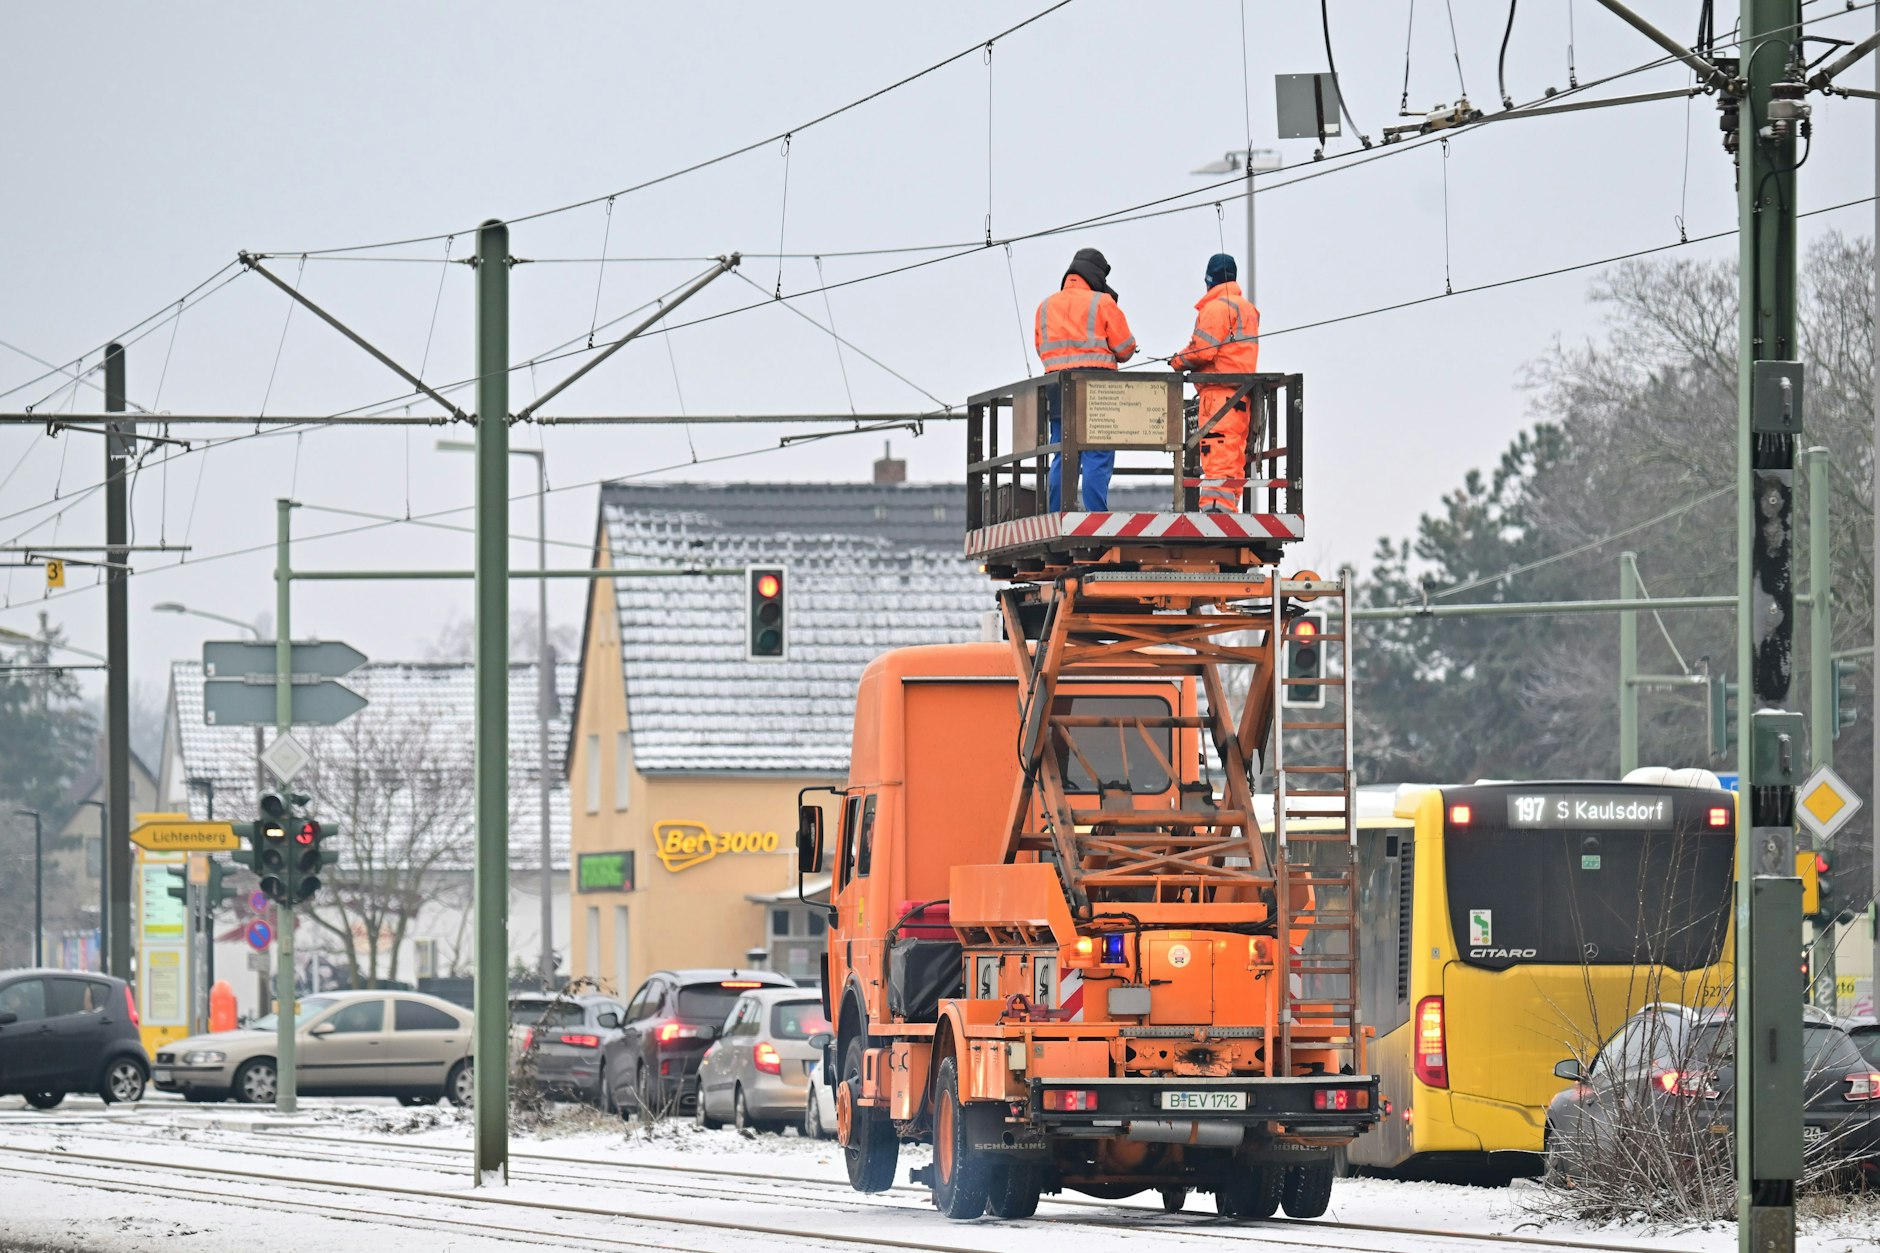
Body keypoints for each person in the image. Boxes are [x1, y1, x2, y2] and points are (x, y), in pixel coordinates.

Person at [1035, 248, 1136, 511]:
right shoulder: (1102, 303)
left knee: (1062, 453)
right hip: (1098, 389)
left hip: (1057, 388)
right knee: (1097, 454)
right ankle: (1096, 516)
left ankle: (1057, 513)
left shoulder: (1045, 306)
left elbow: (1041, 347)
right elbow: (1125, 348)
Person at [1169, 253, 1261, 512]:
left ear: (1209, 280)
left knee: (1217, 452)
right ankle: (1227, 508)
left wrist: (1177, 361)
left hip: (1219, 395)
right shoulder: (1247, 309)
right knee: (1234, 455)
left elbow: (1203, 350)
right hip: (1242, 395)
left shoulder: (1217, 308)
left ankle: (1214, 509)